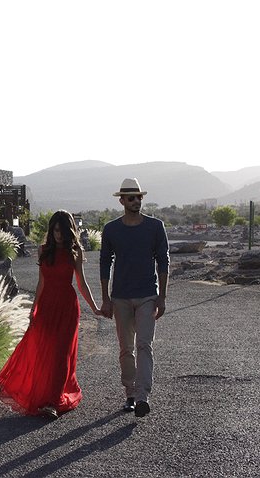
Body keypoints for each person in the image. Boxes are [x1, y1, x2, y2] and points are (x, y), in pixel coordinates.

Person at [0, 210, 102, 419]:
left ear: (69, 231)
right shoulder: (44, 250)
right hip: (46, 306)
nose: (58, 235)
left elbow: (81, 283)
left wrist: (95, 307)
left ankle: (53, 402)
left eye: (61, 231)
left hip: (67, 307)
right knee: (45, 351)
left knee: (62, 353)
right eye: (55, 230)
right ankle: (43, 395)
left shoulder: (75, 251)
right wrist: (33, 310)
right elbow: (41, 282)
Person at [100, 178, 169, 418]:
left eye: (139, 197)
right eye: (131, 197)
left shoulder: (155, 227)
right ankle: (130, 393)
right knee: (125, 348)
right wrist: (105, 298)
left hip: (148, 295)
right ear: (121, 201)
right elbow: (104, 263)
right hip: (120, 298)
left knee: (144, 345)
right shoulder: (111, 229)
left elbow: (163, 262)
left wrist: (162, 297)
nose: (136, 201)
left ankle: (142, 397)